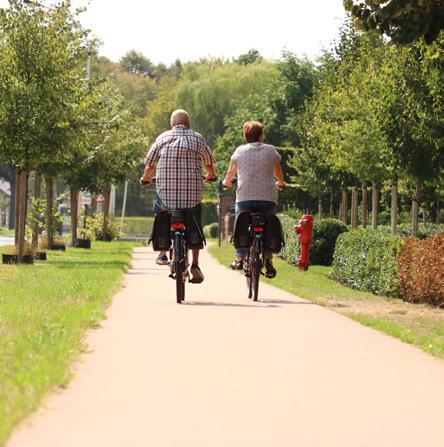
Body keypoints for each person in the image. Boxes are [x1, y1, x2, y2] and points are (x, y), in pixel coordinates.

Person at [140, 109, 216, 283]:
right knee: (194, 219)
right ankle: (195, 264)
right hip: (192, 197)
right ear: (188, 123)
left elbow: (150, 164)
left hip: (166, 197)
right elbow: (208, 162)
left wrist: (145, 178)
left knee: (161, 210)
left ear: (172, 124)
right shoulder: (197, 138)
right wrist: (211, 174)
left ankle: (162, 253)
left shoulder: (162, 138)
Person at [222, 121, 285, 278]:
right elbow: (278, 172)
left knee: (240, 222)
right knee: (269, 224)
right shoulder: (271, 151)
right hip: (267, 199)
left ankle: (239, 257)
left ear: (246, 136)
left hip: (245, 198)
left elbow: (230, 174)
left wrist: (226, 183)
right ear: (261, 135)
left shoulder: (239, 151)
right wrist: (281, 183)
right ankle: (269, 259)